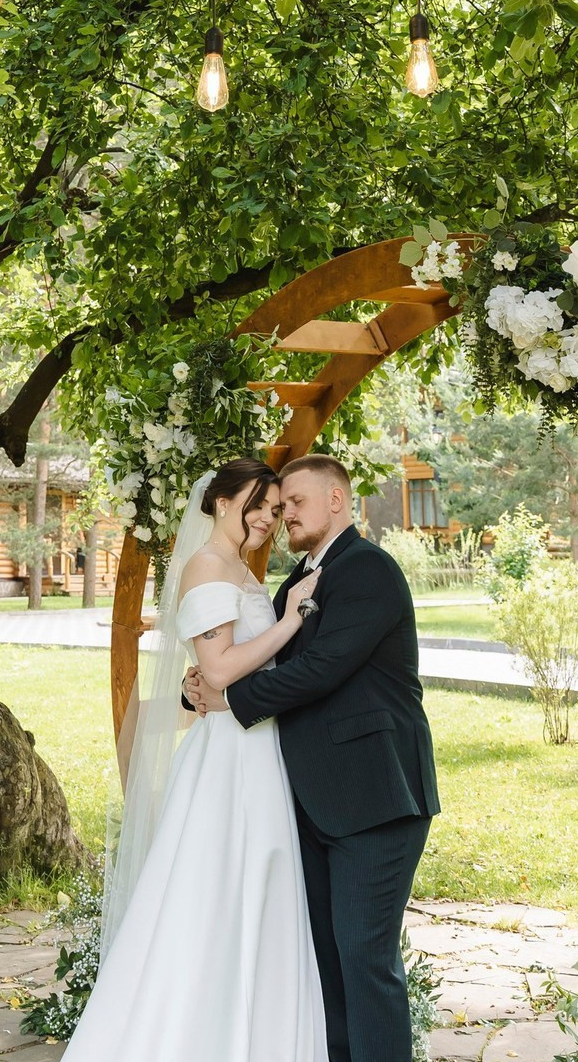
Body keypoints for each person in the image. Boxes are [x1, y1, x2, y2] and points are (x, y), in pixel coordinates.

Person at [61, 458, 327, 1062]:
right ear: (221, 503)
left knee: (259, 885)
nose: (267, 517)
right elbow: (221, 669)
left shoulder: (239, 569)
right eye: (256, 504)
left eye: (274, 506)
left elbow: (223, 669)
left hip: (257, 746)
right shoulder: (208, 566)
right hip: (230, 757)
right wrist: (290, 622)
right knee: (217, 891)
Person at [187, 453, 440, 1062]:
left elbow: (320, 670)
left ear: (336, 500)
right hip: (311, 800)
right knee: (323, 960)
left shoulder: (367, 570)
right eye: (277, 506)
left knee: (366, 960)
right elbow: (263, 660)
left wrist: (228, 698)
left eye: (294, 502)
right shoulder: (294, 584)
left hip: (376, 798)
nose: (283, 516)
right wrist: (200, 688)